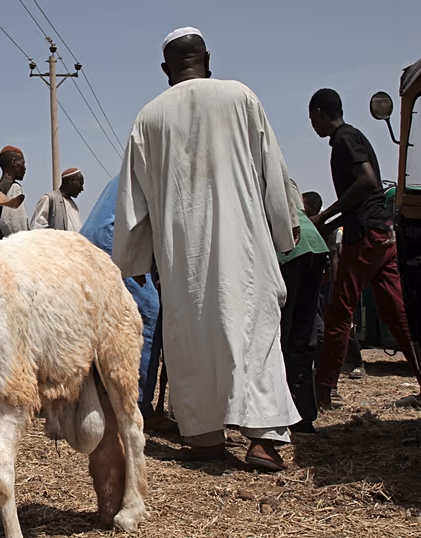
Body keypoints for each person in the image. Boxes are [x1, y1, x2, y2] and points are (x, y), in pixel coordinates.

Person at [113, 27, 301, 471]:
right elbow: (274, 173)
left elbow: (131, 200)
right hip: (246, 248)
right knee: (253, 331)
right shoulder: (241, 97)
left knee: (192, 335)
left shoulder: (148, 117)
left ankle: (204, 438)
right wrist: (284, 230)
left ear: (166, 70)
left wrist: (132, 259)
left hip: (184, 259)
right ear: (207, 59)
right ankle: (262, 440)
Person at [307, 88, 421, 411]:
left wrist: (326, 215)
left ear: (319, 113)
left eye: (311, 117)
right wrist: (327, 224)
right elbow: (366, 196)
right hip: (382, 233)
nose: (312, 125)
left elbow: (368, 182)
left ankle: (323, 390)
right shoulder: (354, 137)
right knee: (397, 314)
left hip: (366, 237)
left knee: (339, 312)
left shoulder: (344, 139)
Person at [78, 175, 174, 431]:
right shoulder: (155, 171)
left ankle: (97, 399)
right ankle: (138, 403)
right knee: (147, 315)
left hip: (94, 241)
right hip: (115, 240)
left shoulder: (132, 170)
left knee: (104, 324)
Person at [279, 179, 329, 434]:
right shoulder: (281, 172)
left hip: (289, 246)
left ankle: (285, 411)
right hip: (314, 244)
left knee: (283, 335)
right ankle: (304, 415)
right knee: (303, 331)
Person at [304, 191, 365, 384]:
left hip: (328, 285)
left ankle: (356, 363)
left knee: (337, 324)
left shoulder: (325, 228)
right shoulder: (309, 226)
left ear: (313, 208)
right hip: (317, 285)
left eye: (304, 207)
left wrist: (334, 287)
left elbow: (333, 257)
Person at [30, 167, 85, 231]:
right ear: (72, 181)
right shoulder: (49, 199)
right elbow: (37, 229)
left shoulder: (74, 206)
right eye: (81, 184)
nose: (82, 189)